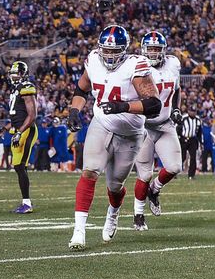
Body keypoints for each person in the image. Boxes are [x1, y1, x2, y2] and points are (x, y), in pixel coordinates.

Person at [67, 25, 161, 250]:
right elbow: (81, 90)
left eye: (114, 51)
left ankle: (113, 213)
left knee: (115, 185)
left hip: (130, 134)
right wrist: (74, 111)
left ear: (124, 49)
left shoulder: (135, 65)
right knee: (89, 170)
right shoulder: (93, 60)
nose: (109, 56)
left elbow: (154, 104)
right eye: (106, 51)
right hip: (101, 124)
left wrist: (123, 106)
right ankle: (78, 231)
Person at [132, 31, 183, 231]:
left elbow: (177, 89)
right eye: (150, 48)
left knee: (174, 167)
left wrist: (177, 108)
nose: (153, 52)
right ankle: (138, 215)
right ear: (144, 49)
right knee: (144, 174)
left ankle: (154, 190)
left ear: (163, 50)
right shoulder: (136, 67)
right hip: (143, 126)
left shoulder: (173, 64)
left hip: (164, 124)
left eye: (156, 48)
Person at [6, 61, 37, 213]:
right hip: (18, 130)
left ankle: (27, 204)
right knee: (19, 166)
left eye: (16, 73)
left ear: (23, 73)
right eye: (12, 72)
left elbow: (32, 115)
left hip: (26, 130)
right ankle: (26, 202)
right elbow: (17, 113)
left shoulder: (26, 87)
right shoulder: (15, 89)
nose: (13, 76)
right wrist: (6, 128)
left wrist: (19, 132)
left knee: (20, 165)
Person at [180, 107, 202, 179]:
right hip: (184, 139)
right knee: (182, 157)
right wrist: (178, 138)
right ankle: (173, 173)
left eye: (194, 111)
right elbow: (178, 128)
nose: (193, 113)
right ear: (188, 111)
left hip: (193, 139)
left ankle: (191, 175)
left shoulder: (198, 119)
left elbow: (199, 132)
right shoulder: (183, 118)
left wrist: (201, 142)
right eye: (191, 111)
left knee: (193, 157)